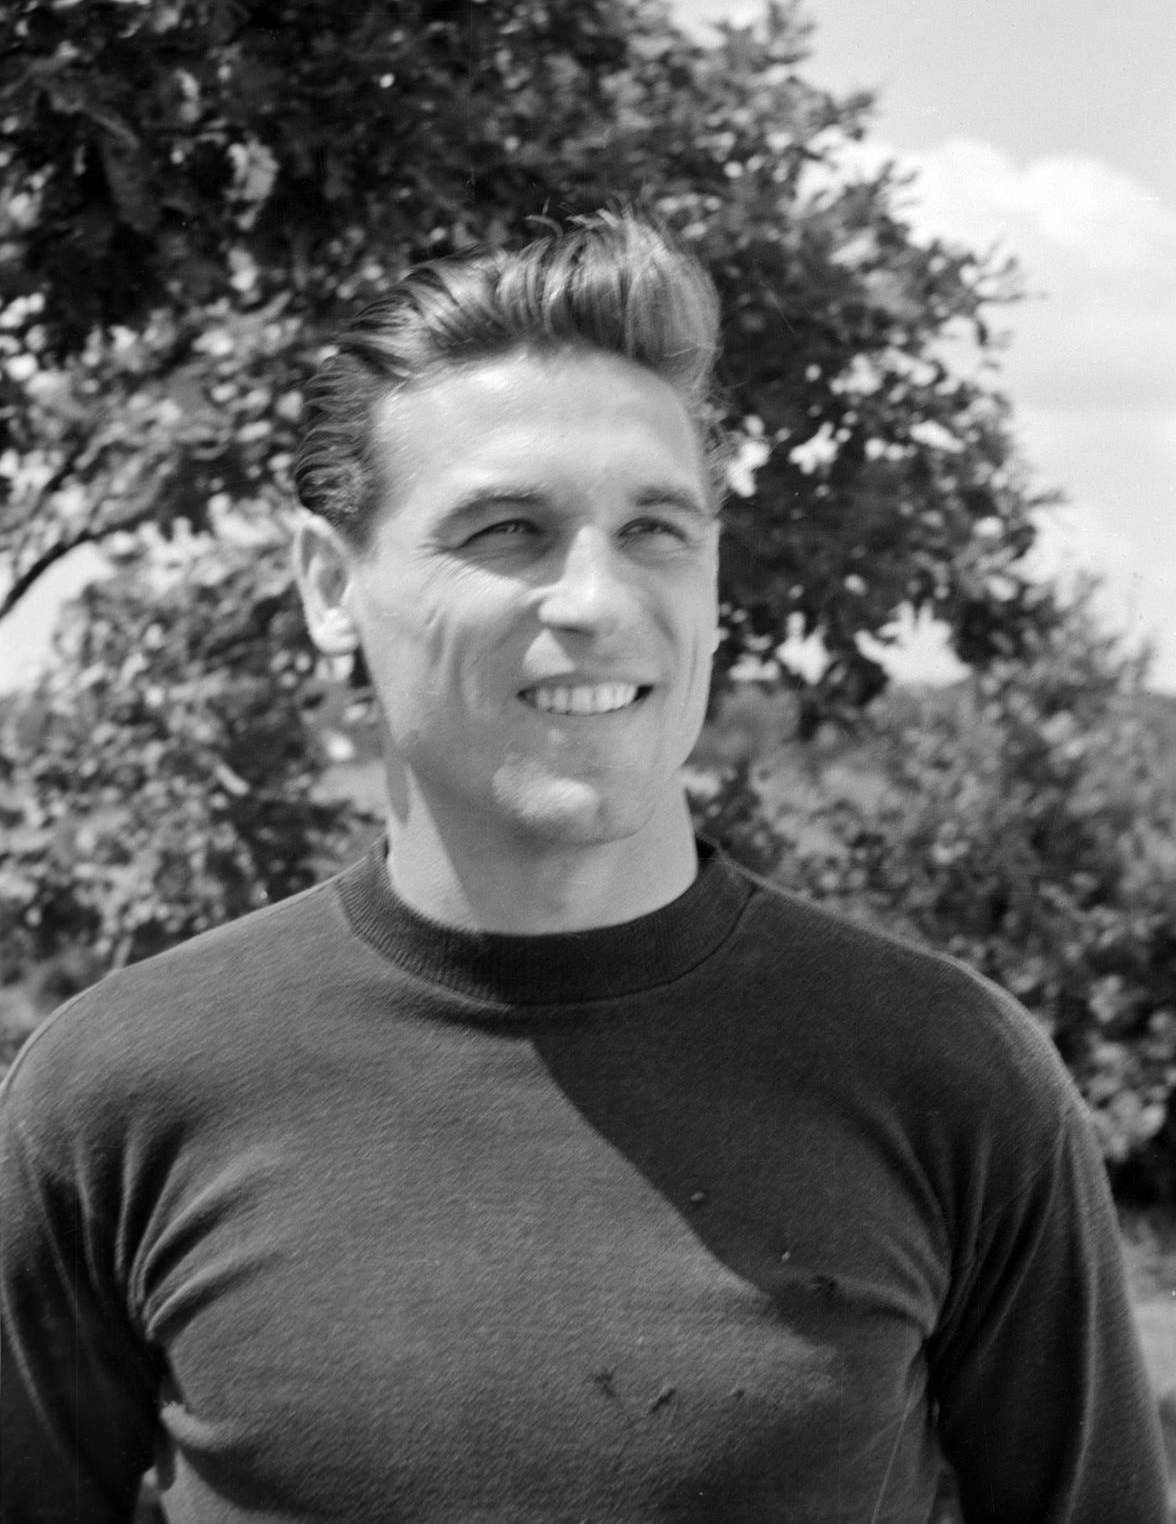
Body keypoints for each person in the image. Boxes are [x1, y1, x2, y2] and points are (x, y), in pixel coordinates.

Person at [1, 214, 1167, 1524]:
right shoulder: (119, 1093)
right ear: (331, 584)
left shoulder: (951, 1076)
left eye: (657, 528)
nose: (597, 601)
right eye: (508, 528)